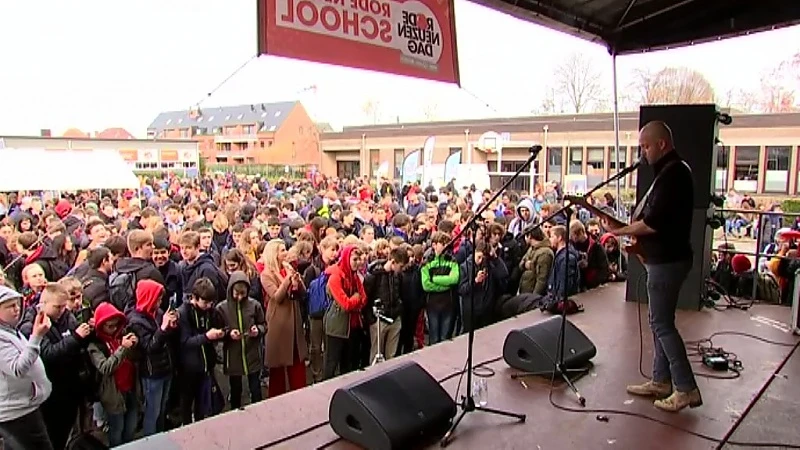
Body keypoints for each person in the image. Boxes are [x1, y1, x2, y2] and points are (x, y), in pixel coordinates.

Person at [602, 121, 702, 413]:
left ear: (662, 144)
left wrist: (619, 232)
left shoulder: (674, 174)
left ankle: (685, 388)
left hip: (668, 261)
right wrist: (622, 226)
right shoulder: (671, 173)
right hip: (665, 259)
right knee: (659, 322)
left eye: (646, 146)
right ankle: (661, 380)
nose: (643, 153)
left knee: (661, 324)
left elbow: (654, 222)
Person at [0, 286, 54, 450]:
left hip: (27, 408)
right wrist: (37, 336)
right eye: (10, 306)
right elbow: (18, 368)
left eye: (17, 305)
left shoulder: (10, 331)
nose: (16, 310)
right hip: (16, 414)